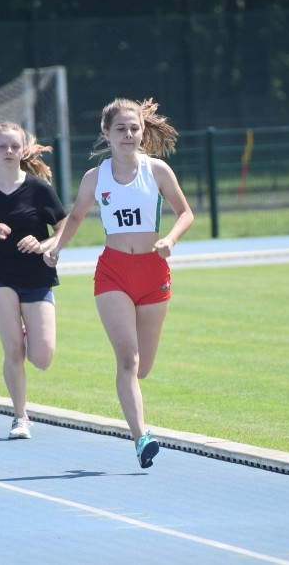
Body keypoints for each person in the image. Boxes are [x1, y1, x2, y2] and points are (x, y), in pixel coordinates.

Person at [44, 98, 194, 468]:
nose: (128, 135)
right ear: (106, 133)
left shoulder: (157, 171)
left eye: (134, 128)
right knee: (127, 358)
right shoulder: (96, 177)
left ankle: (136, 410)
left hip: (153, 271)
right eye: (121, 129)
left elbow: (185, 212)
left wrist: (170, 240)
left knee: (142, 367)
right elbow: (76, 215)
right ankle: (141, 437)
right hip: (112, 272)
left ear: (142, 132)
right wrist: (56, 247)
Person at [0, 122, 67, 439]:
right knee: (14, 351)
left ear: (23, 150)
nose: (8, 151)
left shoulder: (39, 189)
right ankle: (20, 417)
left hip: (36, 275)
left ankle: (27, 331)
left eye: (14, 146)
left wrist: (45, 245)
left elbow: (64, 229)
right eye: (2, 146)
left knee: (42, 357)